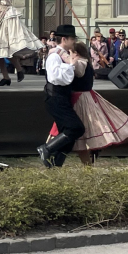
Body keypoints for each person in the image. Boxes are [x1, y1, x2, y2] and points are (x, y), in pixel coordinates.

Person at [46, 42, 128, 165]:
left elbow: (78, 72)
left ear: (75, 53)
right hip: (86, 97)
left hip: (80, 100)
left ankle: (53, 155)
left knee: (78, 133)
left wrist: (61, 54)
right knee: (82, 131)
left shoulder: (80, 62)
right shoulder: (85, 61)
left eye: (70, 52)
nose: (67, 54)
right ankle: (61, 160)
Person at [36, 24, 85, 168]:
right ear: (64, 39)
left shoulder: (63, 54)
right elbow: (56, 77)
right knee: (76, 128)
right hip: (55, 97)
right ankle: (46, 149)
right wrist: (70, 65)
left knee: (69, 134)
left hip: (62, 97)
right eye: (72, 39)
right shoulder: (55, 55)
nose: (74, 42)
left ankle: (56, 164)